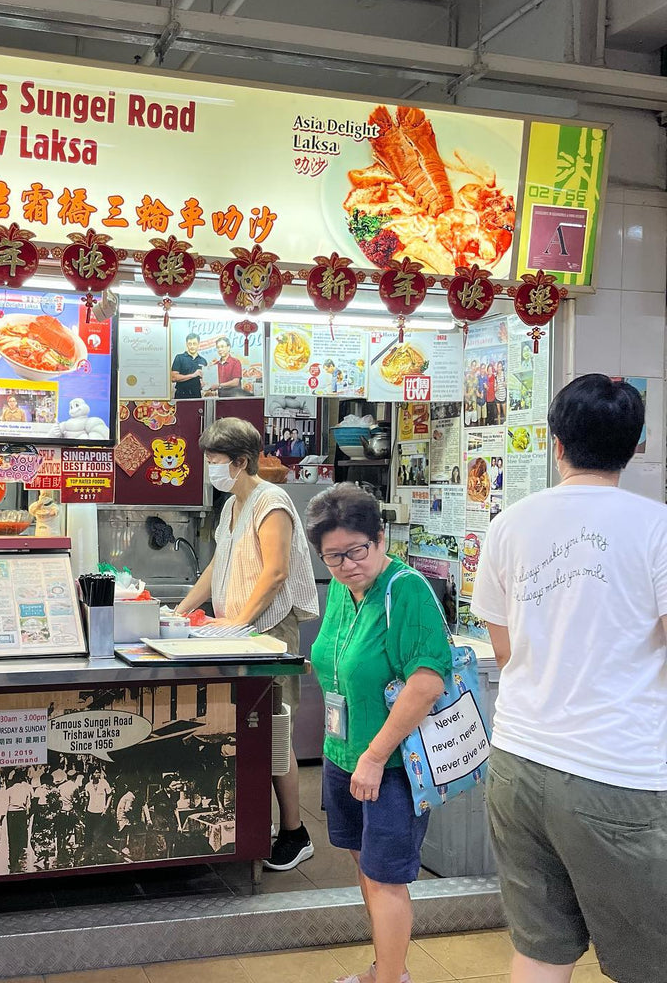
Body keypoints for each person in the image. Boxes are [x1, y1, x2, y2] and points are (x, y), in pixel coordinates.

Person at [471, 375, 666, 983]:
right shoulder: (656, 527)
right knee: (648, 960)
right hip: (619, 774)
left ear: (556, 443)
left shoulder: (510, 523)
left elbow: (504, 650)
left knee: (541, 948)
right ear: (636, 445)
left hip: (519, 761)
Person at [305, 483, 451, 983]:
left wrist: (372, 756)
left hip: (388, 766)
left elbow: (427, 680)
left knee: (387, 880)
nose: (347, 565)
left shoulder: (404, 589)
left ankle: (391, 978)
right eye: (333, 557)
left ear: (382, 537)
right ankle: (385, 969)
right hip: (341, 752)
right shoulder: (347, 593)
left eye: (357, 551)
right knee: (367, 872)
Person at [177, 417, 319, 871]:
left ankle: (295, 833)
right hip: (238, 633)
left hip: (267, 636)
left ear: (241, 462)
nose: (211, 470)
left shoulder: (271, 502)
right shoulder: (232, 507)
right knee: (250, 734)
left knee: (275, 735)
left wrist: (238, 622)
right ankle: (257, 826)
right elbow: (219, 565)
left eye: (216, 462)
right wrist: (180, 611)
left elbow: (275, 572)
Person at [82, 768, 114, 851]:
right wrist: (85, 809)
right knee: (88, 833)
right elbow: (87, 798)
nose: (97, 774)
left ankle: (99, 852)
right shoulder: (88, 785)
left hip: (101, 812)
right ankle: (87, 853)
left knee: (99, 833)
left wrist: (106, 808)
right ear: (92, 774)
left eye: (99, 772)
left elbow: (110, 795)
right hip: (90, 811)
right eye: (96, 772)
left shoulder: (104, 783)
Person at [171, 332, 207, 400]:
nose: (192, 346)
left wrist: (203, 384)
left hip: (197, 396)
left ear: (199, 344)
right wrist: (193, 375)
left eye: (194, 344)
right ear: (186, 344)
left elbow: (203, 380)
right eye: (190, 344)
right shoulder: (179, 358)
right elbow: (173, 378)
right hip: (181, 395)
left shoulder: (203, 360)